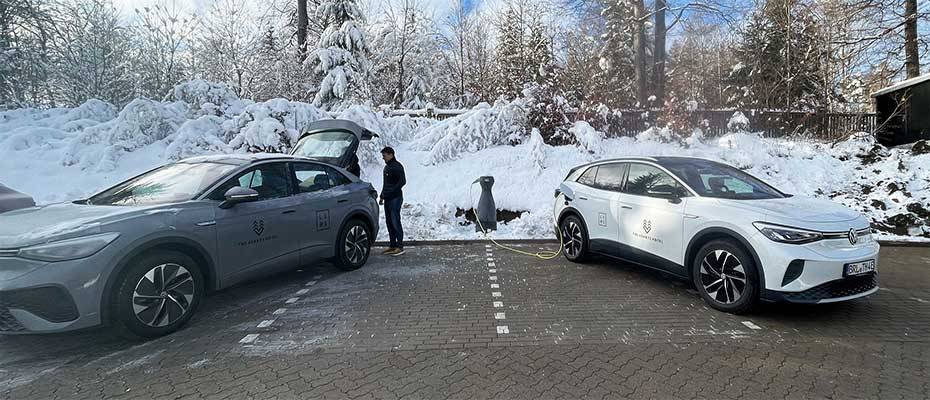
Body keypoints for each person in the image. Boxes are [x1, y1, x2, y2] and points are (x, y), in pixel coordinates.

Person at [380, 147, 406, 256]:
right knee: (389, 222)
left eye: (384, 155)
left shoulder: (397, 166)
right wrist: (382, 196)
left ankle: (400, 246)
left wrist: (392, 191)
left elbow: (402, 181)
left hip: (395, 198)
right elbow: (385, 184)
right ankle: (392, 245)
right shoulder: (387, 167)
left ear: (391, 155)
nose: (383, 158)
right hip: (387, 198)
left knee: (395, 221)